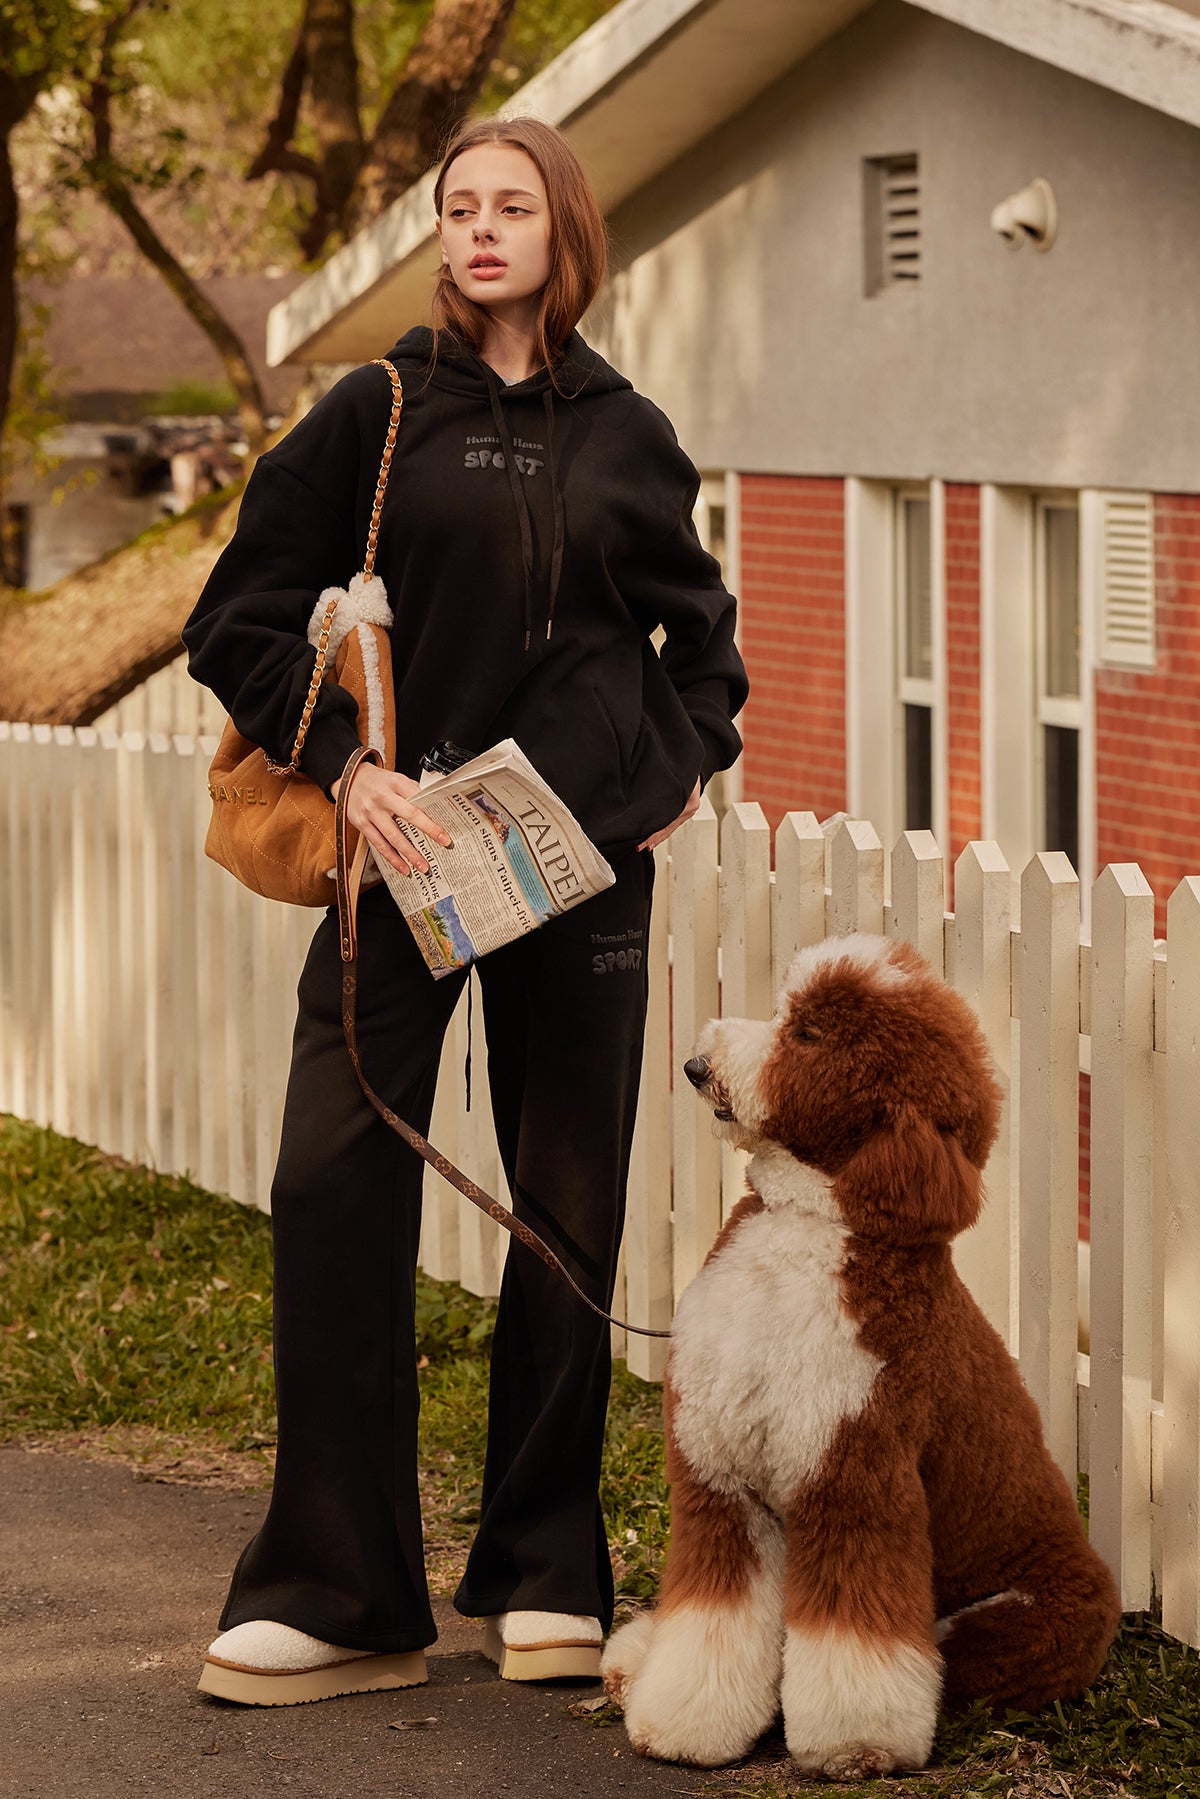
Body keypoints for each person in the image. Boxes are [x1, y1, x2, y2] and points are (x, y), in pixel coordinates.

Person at [182, 114, 748, 1706]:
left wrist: (683, 755)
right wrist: (346, 760)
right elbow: (228, 612)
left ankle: (547, 1570)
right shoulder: (372, 413)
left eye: (512, 206)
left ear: (566, 230)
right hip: (406, 854)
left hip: (576, 872)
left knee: (568, 1209)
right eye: (458, 207)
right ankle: (341, 1591)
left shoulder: (629, 432)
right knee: (333, 1181)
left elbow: (699, 644)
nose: (481, 228)